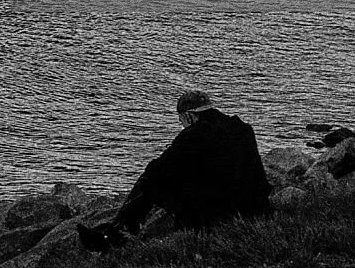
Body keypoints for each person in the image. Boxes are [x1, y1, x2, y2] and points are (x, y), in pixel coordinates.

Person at [80, 90, 272, 249]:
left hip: (221, 211)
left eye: (181, 120)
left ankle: (118, 232)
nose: (181, 124)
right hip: (256, 207)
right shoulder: (243, 129)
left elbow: (158, 170)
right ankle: (117, 229)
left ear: (189, 115)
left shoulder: (192, 136)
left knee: (151, 178)